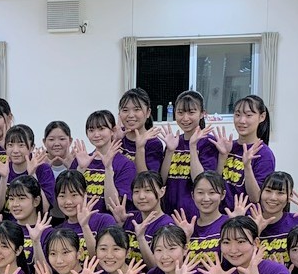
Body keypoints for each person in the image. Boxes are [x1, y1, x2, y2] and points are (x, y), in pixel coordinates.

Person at [158, 90, 219, 220]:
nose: (185, 118)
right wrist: (169, 151)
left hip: (195, 215)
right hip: (169, 212)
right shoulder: (174, 141)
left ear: (202, 114)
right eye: (180, 113)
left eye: (191, 112)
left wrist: (192, 146)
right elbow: (161, 181)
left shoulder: (209, 143)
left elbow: (201, 182)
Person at [212, 93, 275, 209]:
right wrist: (222, 157)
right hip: (220, 215)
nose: (241, 120)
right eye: (237, 115)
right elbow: (214, 187)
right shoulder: (228, 147)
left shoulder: (264, 154)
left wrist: (247, 166)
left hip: (244, 217)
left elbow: (256, 197)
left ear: (262, 117)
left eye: (248, 115)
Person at [172, 171, 246, 266]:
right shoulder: (187, 228)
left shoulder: (229, 223)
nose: (206, 198)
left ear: (222, 195)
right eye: (200, 193)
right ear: (193, 195)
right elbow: (177, 265)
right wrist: (184, 237)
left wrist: (237, 227)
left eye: (212, 192)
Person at [40, 170, 113, 262]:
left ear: (85, 195)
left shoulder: (104, 221)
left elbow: (103, 260)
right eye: (62, 196)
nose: (68, 201)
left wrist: (85, 226)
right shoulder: (57, 231)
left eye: (74, 195)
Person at [69, 110, 133, 213]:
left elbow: (112, 206)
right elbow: (69, 198)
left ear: (113, 131)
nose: (96, 134)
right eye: (91, 130)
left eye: (101, 129)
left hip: (107, 220)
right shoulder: (80, 161)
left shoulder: (125, 164)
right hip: (80, 219)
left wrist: (108, 168)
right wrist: (80, 169)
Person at [106, 170, 172, 268]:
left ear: (162, 191)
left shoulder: (167, 226)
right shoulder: (130, 218)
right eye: (136, 191)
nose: (141, 196)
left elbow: (157, 267)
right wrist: (120, 225)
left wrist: (141, 238)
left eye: (148, 190)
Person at [0, 124, 55, 214]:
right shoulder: (0, 169)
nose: (15, 150)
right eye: (10, 145)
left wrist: (32, 175)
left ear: (32, 148)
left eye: (21, 145)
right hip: (5, 222)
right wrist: (3, 178)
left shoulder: (43, 169)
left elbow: (44, 209)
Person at [6, 175, 52, 269]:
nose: (15, 204)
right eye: (11, 199)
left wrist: (36, 242)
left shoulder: (48, 233)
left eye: (21, 198)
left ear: (36, 201)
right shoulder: (6, 229)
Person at [117, 88, 164, 175]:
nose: (131, 115)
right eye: (125, 110)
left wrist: (140, 148)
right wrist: (114, 140)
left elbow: (147, 180)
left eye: (137, 109)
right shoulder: (117, 136)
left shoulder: (153, 143)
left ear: (148, 112)